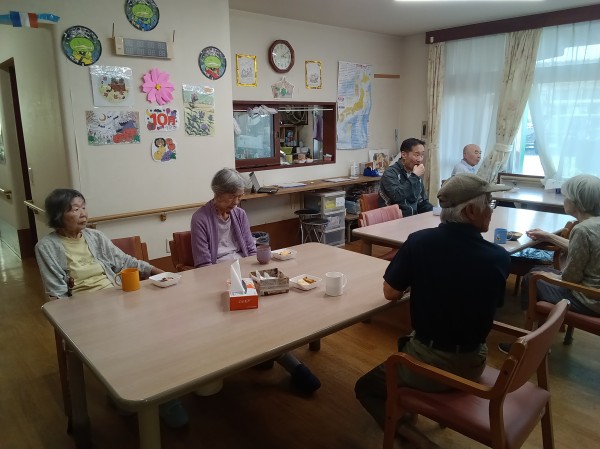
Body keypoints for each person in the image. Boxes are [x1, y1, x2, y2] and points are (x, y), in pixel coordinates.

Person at [355, 173, 511, 444]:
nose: (491, 210)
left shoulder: (419, 242)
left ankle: (410, 435)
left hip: (432, 363)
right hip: (475, 360)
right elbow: (488, 304)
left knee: (366, 387)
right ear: (471, 211)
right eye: (489, 203)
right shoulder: (499, 257)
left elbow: (390, 293)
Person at [34, 188, 189, 428]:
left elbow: (125, 261)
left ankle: (162, 394)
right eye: (74, 209)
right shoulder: (46, 247)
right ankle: (139, 395)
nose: (83, 213)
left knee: (156, 332)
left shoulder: (95, 237)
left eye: (83, 207)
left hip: (115, 298)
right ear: (58, 215)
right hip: (82, 310)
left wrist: (160, 272)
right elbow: (57, 295)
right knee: (125, 343)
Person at [190, 168, 321, 394]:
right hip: (218, 277)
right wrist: (233, 280)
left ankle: (266, 354)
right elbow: (203, 266)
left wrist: (259, 269)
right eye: (232, 197)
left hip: (245, 270)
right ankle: (291, 364)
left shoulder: (239, 214)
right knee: (252, 314)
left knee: (275, 305)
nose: (236, 202)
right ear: (217, 193)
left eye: (239, 197)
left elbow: (250, 251)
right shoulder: (200, 219)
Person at [499, 174, 600, 353]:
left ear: (576, 201)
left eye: (566, 196)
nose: (564, 199)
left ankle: (531, 343)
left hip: (588, 299)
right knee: (539, 270)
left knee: (531, 278)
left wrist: (550, 275)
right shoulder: (594, 225)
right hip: (595, 293)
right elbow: (580, 248)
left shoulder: (582, 229)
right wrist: (548, 236)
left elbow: (571, 278)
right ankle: (542, 334)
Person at [378, 137, 433, 216]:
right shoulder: (390, 173)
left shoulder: (415, 174)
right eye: (417, 155)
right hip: (393, 218)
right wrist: (414, 176)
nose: (420, 159)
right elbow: (397, 196)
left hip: (413, 218)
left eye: (422, 155)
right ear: (404, 155)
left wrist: (436, 212)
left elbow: (422, 202)